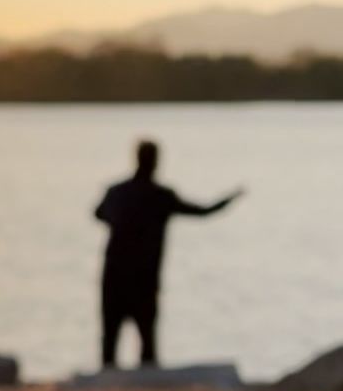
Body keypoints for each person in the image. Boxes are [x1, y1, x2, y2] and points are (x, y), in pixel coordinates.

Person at [94, 140, 244, 369]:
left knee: (111, 340)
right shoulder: (161, 196)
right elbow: (203, 211)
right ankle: (138, 383)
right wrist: (228, 201)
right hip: (143, 279)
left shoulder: (117, 192)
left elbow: (98, 214)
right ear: (155, 161)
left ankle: (107, 382)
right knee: (145, 342)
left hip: (115, 276)